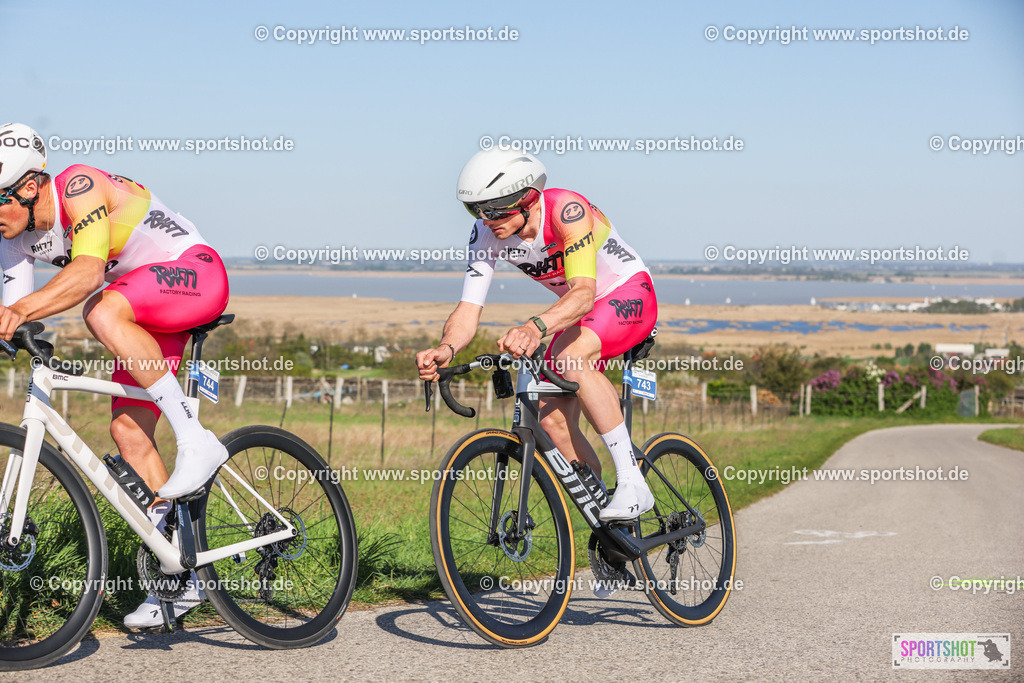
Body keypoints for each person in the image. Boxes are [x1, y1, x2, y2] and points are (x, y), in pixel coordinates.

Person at [0, 123, 229, 627]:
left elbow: (85, 274)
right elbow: (15, 314)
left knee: (101, 309)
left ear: (31, 186)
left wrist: (17, 313)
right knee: (128, 433)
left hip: (195, 271)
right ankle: (180, 572)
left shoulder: (79, 185)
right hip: (146, 311)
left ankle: (197, 439)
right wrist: (14, 326)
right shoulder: (15, 238)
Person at [416, 148, 657, 520]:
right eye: (475, 210)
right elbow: (468, 309)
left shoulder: (566, 210)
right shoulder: (486, 233)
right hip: (579, 312)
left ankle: (632, 482)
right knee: (550, 419)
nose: (486, 219)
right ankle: (608, 526)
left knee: (570, 359)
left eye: (493, 209)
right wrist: (447, 347)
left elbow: (584, 293)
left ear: (526, 198)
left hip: (627, 293)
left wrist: (534, 328)